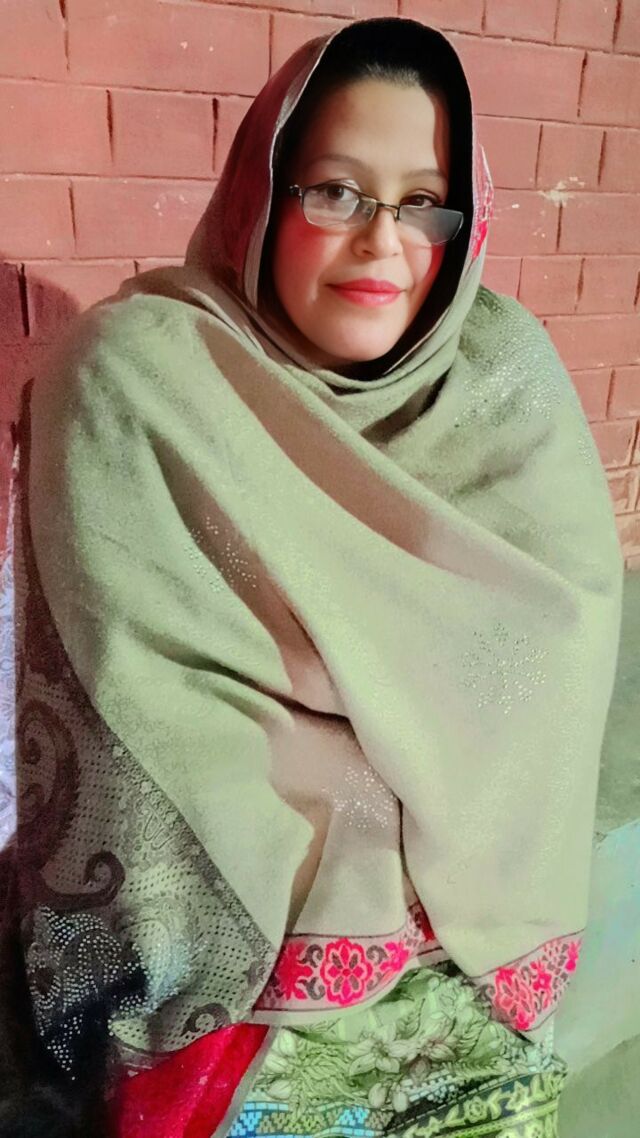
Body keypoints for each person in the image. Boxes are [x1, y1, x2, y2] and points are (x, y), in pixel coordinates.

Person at [3, 16, 623, 1138]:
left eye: (424, 202)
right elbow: (146, 714)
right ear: (261, 189)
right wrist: (408, 766)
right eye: (337, 192)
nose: (384, 242)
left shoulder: (503, 379)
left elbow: (553, 664)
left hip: (473, 965)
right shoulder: (138, 380)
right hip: (235, 972)